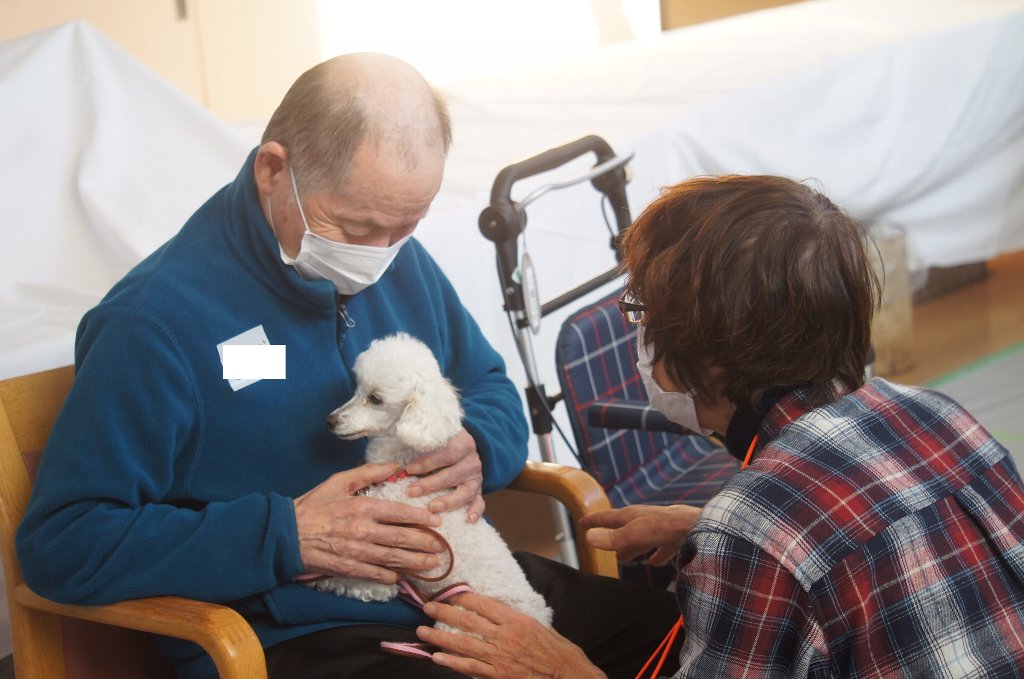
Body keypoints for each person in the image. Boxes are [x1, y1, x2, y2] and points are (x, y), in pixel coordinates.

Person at [15, 53, 682, 679]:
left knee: (679, 634)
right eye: (359, 228)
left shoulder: (396, 255)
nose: (382, 255)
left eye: (407, 226)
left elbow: (487, 383)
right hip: (290, 629)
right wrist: (284, 533)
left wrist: (478, 446)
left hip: (451, 579)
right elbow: (63, 542)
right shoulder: (155, 324)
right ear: (274, 171)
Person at [414, 175, 1024, 677]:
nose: (639, 333)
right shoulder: (939, 415)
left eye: (641, 310)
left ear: (711, 355)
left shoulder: (752, 525)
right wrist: (712, 530)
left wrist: (565, 672)